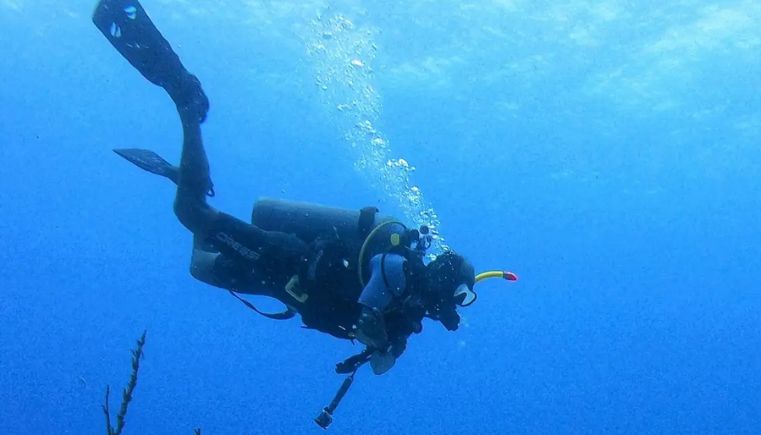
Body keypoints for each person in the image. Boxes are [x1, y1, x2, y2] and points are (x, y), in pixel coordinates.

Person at [92, 0, 502, 377]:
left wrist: (387, 343)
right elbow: (369, 302)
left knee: (200, 266)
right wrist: (374, 327)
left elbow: (380, 365)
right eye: (461, 297)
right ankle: (186, 101)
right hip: (284, 260)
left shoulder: (407, 313)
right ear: (446, 281)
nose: (455, 308)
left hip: (288, 289)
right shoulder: (401, 269)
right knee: (190, 215)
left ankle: (187, 177)